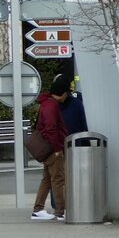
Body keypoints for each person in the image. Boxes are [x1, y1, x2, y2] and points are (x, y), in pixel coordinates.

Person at [32, 74, 70, 221]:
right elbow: (51, 128)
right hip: (52, 149)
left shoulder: (46, 104)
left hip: (48, 148)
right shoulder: (51, 106)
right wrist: (56, 149)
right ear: (63, 93)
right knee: (58, 179)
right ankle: (61, 211)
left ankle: (38, 209)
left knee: (47, 179)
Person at [48, 82, 88, 212]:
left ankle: (60, 206)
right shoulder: (75, 104)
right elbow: (83, 124)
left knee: (57, 178)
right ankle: (62, 206)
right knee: (62, 178)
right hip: (64, 146)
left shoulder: (52, 105)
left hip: (65, 145)